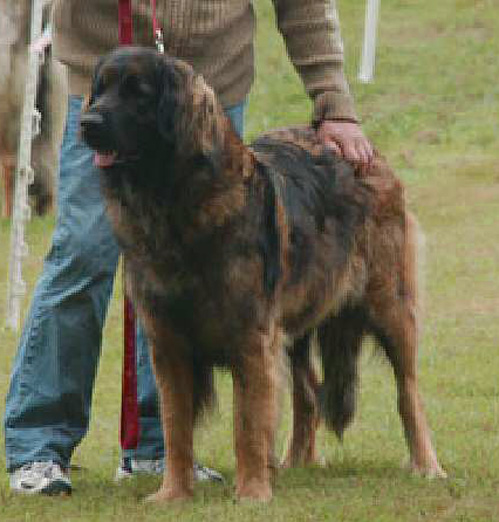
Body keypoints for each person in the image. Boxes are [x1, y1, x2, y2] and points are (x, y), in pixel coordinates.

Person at [4, 0, 373, 495]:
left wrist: (332, 98)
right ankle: (38, 447)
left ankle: (158, 452)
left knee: (207, 280)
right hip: (103, 80)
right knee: (83, 253)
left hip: (209, 91)